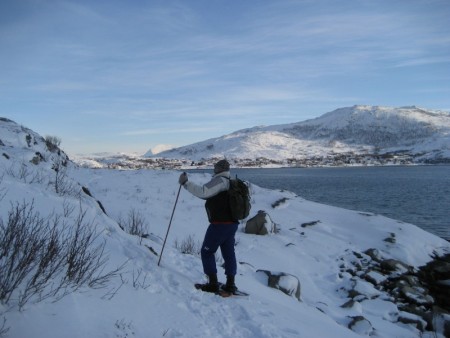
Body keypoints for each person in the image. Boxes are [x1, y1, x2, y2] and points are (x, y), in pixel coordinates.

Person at [178, 159, 239, 293]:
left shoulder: (220, 180)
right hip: (232, 224)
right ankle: (230, 284)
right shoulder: (232, 182)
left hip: (219, 225)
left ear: (219, 169)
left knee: (207, 252)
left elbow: (203, 192)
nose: (214, 168)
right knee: (229, 253)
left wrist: (185, 183)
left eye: (215, 167)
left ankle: (212, 284)